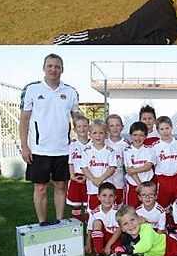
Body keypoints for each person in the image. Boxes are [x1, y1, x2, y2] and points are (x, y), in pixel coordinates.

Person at [19, 54, 81, 223]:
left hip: (63, 149)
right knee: (40, 188)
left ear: (62, 69)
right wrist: (25, 146)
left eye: (57, 67)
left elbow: (77, 120)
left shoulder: (70, 92)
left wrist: (81, 143)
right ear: (44, 68)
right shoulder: (31, 89)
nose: (54, 69)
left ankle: (60, 222)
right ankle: (42, 223)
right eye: (50, 66)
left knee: (61, 186)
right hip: (39, 149)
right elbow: (24, 120)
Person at [151, 116, 177, 224]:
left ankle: (176, 225)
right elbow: (153, 164)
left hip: (176, 178)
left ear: (171, 128)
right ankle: (164, 224)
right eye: (162, 129)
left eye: (167, 128)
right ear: (158, 131)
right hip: (163, 178)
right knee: (163, 203)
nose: (165, 131)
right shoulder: (155, 146)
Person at [80, 120, 116, 212]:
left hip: (107, 189)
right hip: (93, 188)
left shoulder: (110, 151)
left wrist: (101, 179)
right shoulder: (86, 151)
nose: (98, 135)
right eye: (94, 133)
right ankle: (92, 226)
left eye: (101, 133)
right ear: (90, 134)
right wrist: (93, 179)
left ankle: (109, 226)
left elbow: (112, 168)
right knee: (93, 211)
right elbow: (84, 168)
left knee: (109, 210)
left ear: (106, 134)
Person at [87, 182, 120, 256]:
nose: (107, 199)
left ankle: (110, 250)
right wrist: (87, 244)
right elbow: (90, 230)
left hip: (114, 238)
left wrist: (108, 246)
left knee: (118, 251)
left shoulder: (118, 212)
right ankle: (99, 254)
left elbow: (119, 231)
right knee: (97, 222)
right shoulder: (95, 212)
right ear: (98, 197)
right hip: (101, 236)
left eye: (111, 196)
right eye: (104, 195)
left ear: (115, 197)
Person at [123, 121, 154, 209]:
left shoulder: (149, 149)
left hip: (148, 184)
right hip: (133, 184)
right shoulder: (127, 151)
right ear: (130, 135)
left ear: (146, 136)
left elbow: (148, 166)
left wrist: (133, 170)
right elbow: (130, 171)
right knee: (131, 209)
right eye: (135, 135)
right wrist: (140, 185)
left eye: (141, 135)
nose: (138, 138)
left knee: (147, 208)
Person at [65, 115, 90, 221]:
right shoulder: (72, 145)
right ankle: (77, 224)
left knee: (88, 203)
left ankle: (89, 225)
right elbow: (70, 162)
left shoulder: (93, 144)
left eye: (85, 126)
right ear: (75, 129)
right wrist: (72, 175)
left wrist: (88, 176)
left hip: (88, 177)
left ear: (89, 127)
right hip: (76, 176)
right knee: (76, 203)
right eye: (79, 126)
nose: (82, 129)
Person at [104, 114, 128, 205]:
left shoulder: (126, 144)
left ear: (122, 127)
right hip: (105, 178)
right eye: (111, 125)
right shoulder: (103, 141)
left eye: (117, 125)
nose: (115, 128)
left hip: (119, 179)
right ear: (107, 128)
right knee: (106, 202)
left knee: (118, 203)